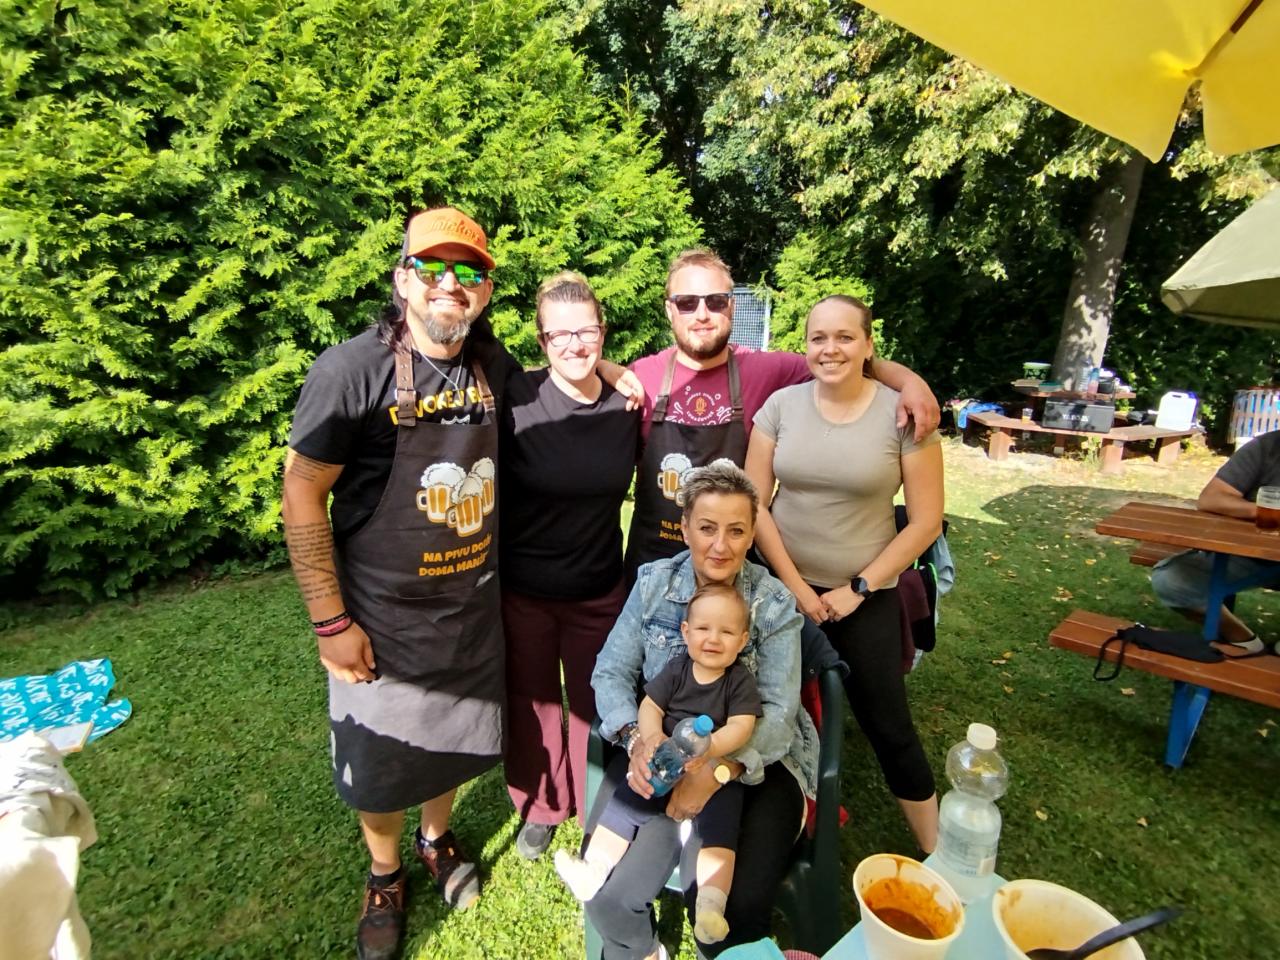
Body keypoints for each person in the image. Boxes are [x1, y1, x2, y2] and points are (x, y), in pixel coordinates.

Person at [282, 207, 516, 960]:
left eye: (469, 271)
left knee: (450, 744)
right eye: (433, 267)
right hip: (380, 617)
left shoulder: (493, 364)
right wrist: (330, 622)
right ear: (402, 280)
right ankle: (385, 872)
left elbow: (563, 387)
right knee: (382, 763)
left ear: (485, 290)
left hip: (469, 608)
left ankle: (436, 837)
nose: (452, 283)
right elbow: (302, 492)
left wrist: (607, 370)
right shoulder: (350, 371)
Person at [590, 462, 819, 959]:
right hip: (662, 751)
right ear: (685, 526)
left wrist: (717, 770)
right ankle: (641, 950)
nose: (720, 546)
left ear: (752, 533)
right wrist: (636, 739)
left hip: (759, 763)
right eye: (707, 528)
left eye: (736, 531)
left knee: (732, 908)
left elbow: (779, 714)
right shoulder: (653, 584)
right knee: (607, 889)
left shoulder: (773, 603)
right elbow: (610, 672)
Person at [745, 294, 945, 853]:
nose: (829, 349)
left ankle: (939, 854)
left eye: (844, 336)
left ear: (868, 345)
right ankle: (766, 826)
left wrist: (858, 588)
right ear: (805, 344)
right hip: (779, 587)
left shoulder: (902, 414)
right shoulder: (781, 407)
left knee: (888, 723)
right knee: (761, 710)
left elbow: (926, 521)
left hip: (865, 593)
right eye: (818, 337)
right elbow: (754, 503)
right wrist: (795, 588)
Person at [624, 248, 940, 577]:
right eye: (687, 303)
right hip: (651, 569)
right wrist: (607, 369)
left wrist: (911, 382)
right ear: (669, 309)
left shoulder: (769, 370)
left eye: (716, 301)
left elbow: (838, 360)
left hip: (734, 571)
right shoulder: (640, 377)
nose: (702, 314)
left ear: (731, 306)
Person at [499, 272, 641, 859]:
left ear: (602, 332)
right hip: (524, 592)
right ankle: (542, 805)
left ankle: (594, 803)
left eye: (586, 332)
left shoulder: (630, 404)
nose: (574, 345)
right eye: (559, 334)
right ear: (541, 341)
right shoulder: (516, 398)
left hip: (598, 590)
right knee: (533, 702)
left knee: (595, 704)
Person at [555, 583, 761, 945]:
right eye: (703, 628)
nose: (713, 639)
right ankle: (594, 869)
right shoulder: (678, 669)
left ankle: (711, 906)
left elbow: (742, 725)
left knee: (720, 833)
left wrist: (712, 748)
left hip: (710, 768)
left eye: (726, 632)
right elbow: (651, 705)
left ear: (742, 640)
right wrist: (651, 739)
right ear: (686, 632)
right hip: (666, 757)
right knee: (625, 803)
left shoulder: (738, 681)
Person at [1150, 428, 1280, 654]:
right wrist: (1263, 511)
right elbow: (1211, 498)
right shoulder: (1268, 446)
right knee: (1171, 580)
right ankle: (1244, 640)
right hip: (1252, 557)